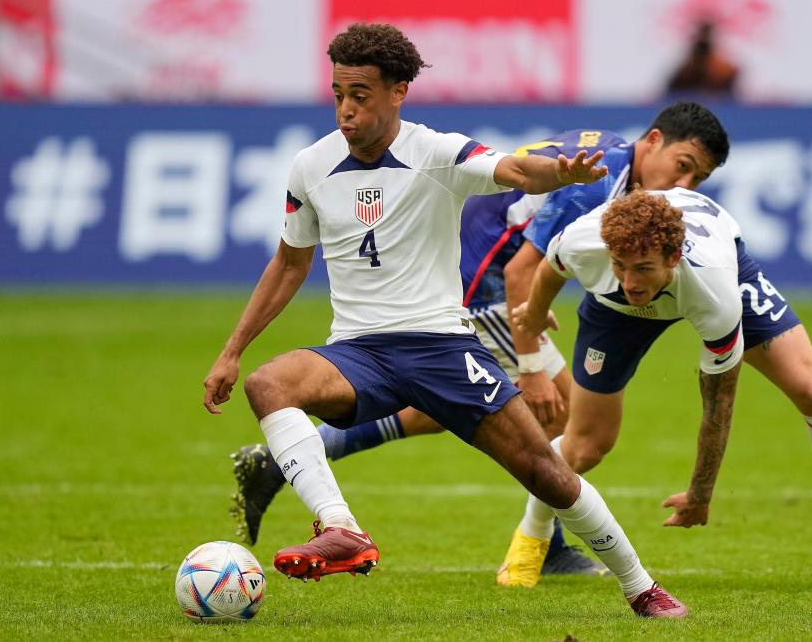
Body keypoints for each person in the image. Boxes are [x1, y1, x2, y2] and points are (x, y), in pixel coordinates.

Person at [204, 22, 688, 618]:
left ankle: (643, 588)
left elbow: (513, 169)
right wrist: (232, 350)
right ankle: (341, 529)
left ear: (398, 92)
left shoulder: (436, 151)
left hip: (443, 348)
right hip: (358, 353)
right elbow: (288, 262)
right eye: (338, 95)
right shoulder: (311, 167)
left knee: (547, 472)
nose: (346, 111)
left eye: (361, 96)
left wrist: (560, 173)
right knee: (267, 384)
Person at [229, 129, 628, 579]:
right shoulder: (607, 173)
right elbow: (521, 260)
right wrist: (531, 362)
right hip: (482, 286)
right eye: (682, 166)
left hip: (480, 273)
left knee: (437, 407)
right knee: (563, 414)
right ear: (655, 142)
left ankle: (276, 461)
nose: (684, 182)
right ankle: (547, 547)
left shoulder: (605, 146)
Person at [497, 184, 812, 588]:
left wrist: (701, 493)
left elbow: (718, 403)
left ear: (673, 258)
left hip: (719, 271)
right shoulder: (585, 243)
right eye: (621, 266)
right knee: (585, 445)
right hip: (615, 313)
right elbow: (549, 272)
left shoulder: (715, 292)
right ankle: (533, 534)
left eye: (643, 268)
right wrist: (534, 316)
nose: (630, 280)